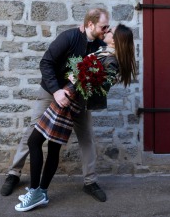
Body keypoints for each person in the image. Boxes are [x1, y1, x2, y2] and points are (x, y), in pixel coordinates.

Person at [15, 24, 137, 212]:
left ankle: (35, 192)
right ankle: (41, 192)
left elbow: (100, 88)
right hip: (66, 97)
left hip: (68, 101)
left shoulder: (111, 60)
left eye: (110, 31)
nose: (107, 31)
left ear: (116, 39)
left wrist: (78, 78)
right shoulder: (105, 52)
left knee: (34, 141)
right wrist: (78, 75)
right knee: (51, 146)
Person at [1, 8, 111, 202]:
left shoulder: (101, 46)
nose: (106, 29)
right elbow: (46, 63)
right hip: (50, 92)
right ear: (90, 24)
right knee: (32, 132)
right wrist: (56, 91)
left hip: (77, 98)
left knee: (86, 137)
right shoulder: (68, 37)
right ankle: (14, 173)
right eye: (104, 26)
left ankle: (90, 182)